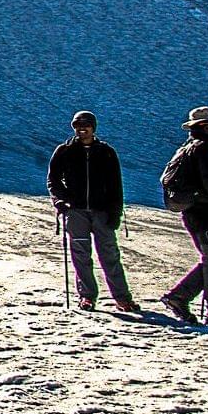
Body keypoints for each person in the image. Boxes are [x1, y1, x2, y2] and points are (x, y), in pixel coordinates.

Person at [47, 111, 139, 313]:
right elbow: (53, 181)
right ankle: (87, 297)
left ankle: (122, 298)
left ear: (93, 127)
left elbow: (116, 185)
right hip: (76, 212)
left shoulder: (106, 152)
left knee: (109, 256)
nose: (82, 128)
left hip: (102, 212)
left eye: (86, 124)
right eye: (78, 124)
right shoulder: (64, 151)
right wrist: (60, 201)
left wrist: (116, 213)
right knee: (81, 256)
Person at [160, 106, 208, 326]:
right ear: (204, 127)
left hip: (194, 214)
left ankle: (179, 297)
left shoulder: (187, 148)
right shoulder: (206, 150)